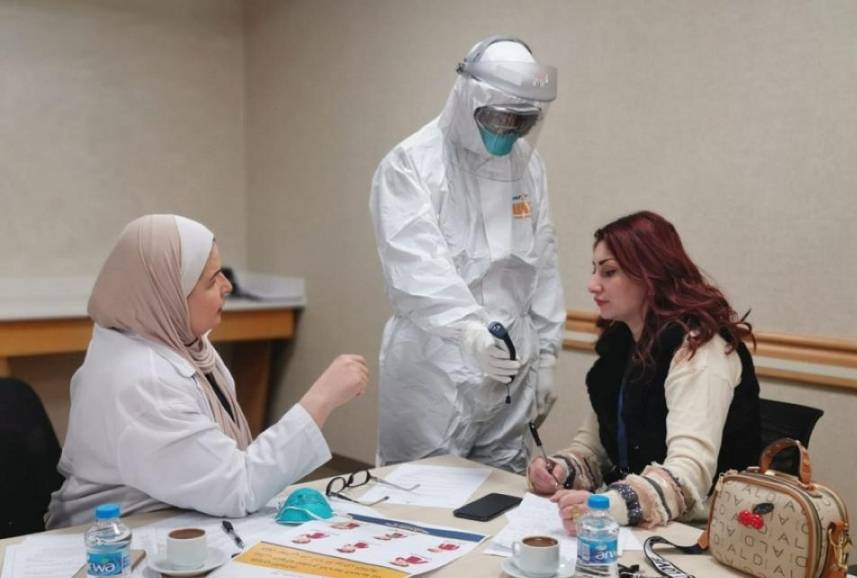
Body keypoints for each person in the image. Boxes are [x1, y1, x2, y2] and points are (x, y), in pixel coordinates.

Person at [46, 214, 368, 528]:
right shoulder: (144, 381)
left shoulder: (173, 341)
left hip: (176, 513)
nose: (227, 286)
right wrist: (322, 398)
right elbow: (238, 487)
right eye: (212, 280)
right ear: (169, 294)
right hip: (119, 537)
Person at [370, 35, 565, 473]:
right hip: (436, 364)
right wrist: (471, 335)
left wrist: (548, 353)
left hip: (511, 365)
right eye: (499, 116)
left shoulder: (528, 166)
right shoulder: (412, 163)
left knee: (502, 488)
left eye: (521, 122)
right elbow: (416, 270)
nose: (508, 131)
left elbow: (543, 262)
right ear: (468, 97)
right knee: (421, 489)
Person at [528, 211, 760, 532]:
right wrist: (560, 470)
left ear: (650, 274)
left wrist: (607, 505)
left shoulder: (700, 348)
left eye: (609, 272)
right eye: (594, 271)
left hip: (704, 535)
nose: (592, 285)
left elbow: (689, 476)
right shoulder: (620, 347)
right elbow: (595, 449)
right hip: (641, 526)